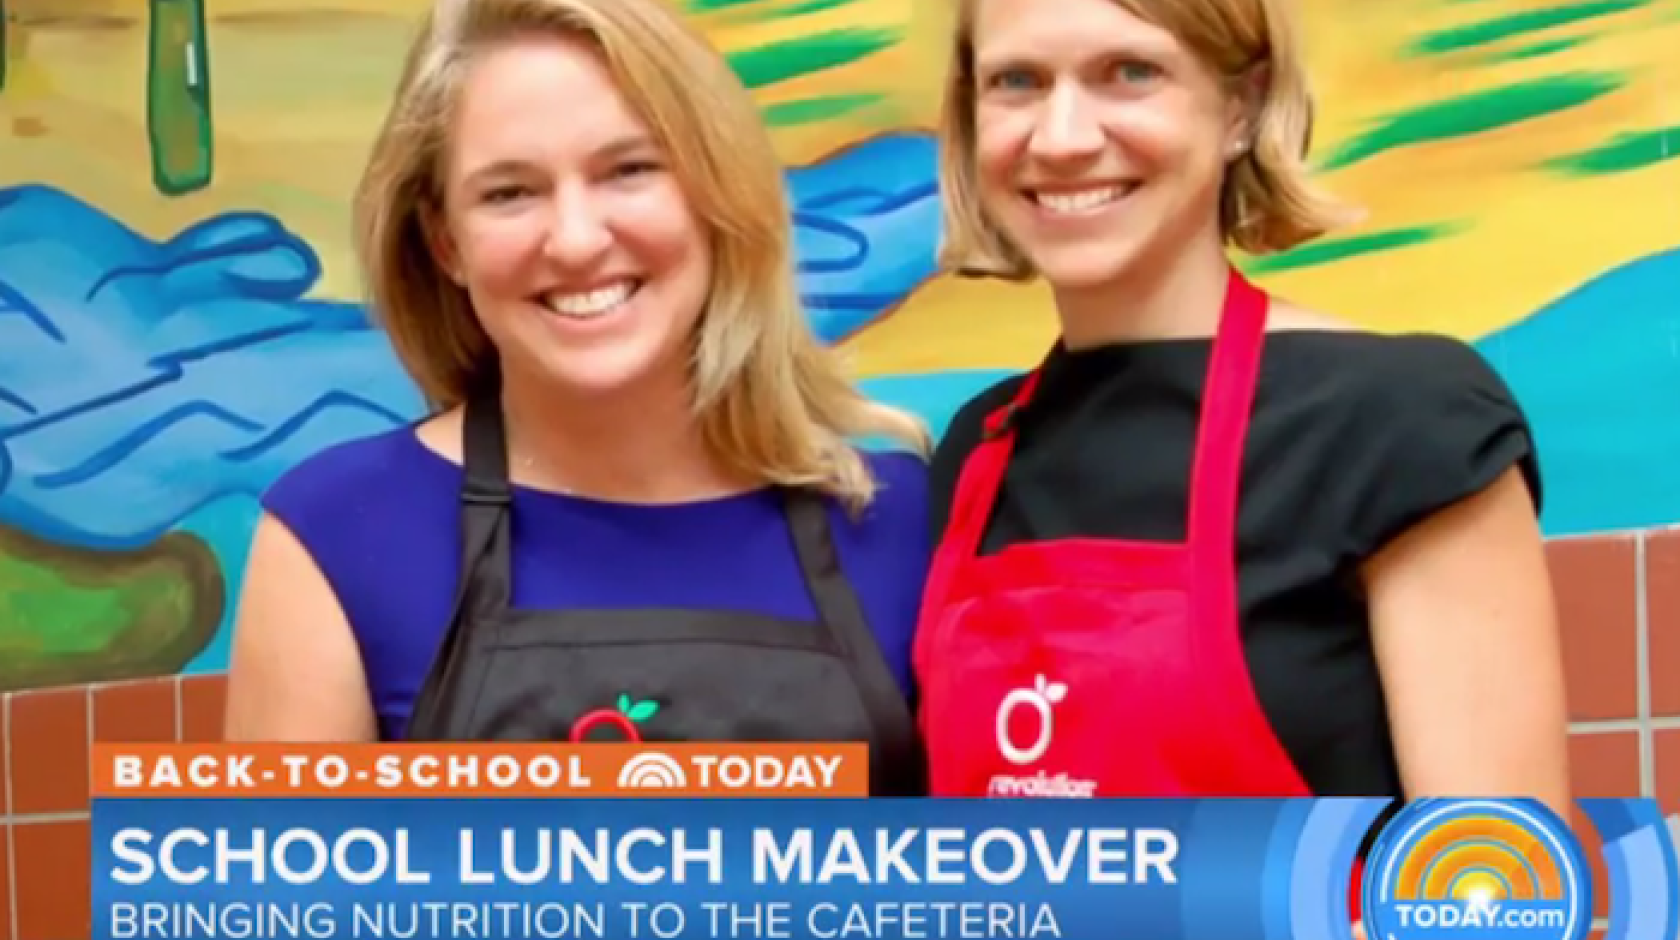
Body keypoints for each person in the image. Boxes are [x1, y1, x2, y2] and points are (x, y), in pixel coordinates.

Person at [222, 0, 931, 796]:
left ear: (711, 192)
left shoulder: (904, 519)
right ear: (446, 242)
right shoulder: (336, 536)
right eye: (509, 193)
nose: (577, 240)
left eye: (628, 170)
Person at [914, 0, 1570, 823]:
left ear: (1241, 107)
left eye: (1130, 72)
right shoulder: (979, 450)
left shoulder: (1401, 422)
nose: (1064, 137)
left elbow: (1498, 890)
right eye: (1018, 82)